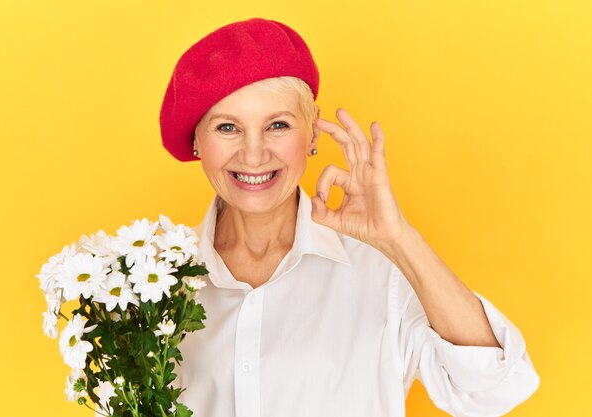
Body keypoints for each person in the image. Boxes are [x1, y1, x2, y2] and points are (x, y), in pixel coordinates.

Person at [158, 17, 540, 417]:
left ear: (312, 134)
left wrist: (397, 238)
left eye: (277, 125)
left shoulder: (382, 271)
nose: (254, 156)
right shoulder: (150, 282)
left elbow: (495, 389)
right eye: (228, 127)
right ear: (197, 140)